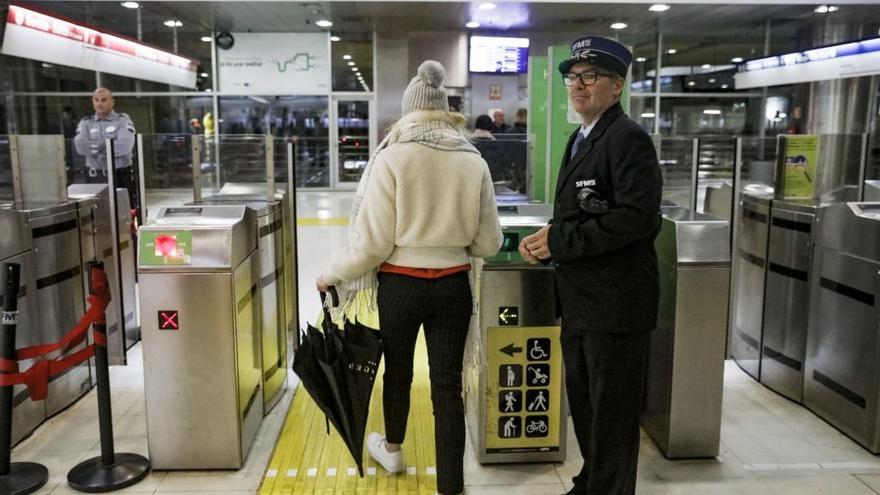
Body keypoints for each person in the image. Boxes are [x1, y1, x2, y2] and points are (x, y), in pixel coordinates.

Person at [317, 60, 502, 495]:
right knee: (447, 387)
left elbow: (373, 245)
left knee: (397, 372)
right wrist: (450, 242)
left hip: (400, 285)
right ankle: (452, 486)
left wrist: (332, 273)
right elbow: (489, 242)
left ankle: (393, 449)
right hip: (453, 286)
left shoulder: (392, 155)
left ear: (407, 112)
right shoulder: (473, 159)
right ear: (445, 111)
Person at [518, 35, 662, 495]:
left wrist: (560, 240)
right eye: (573, 78)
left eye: (590, 76)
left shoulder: (628, 139)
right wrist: (548, 237)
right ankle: (592, 481)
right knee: (585, 404)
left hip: (617, 305)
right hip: (583, 301)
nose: (577, 85)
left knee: (612, 414)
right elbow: (582, 213)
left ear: (616, 85)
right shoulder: (581, 138)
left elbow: (637, 220)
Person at [73, 87, 139, 215]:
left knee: (125, 213)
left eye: (104, 100)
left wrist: (94, 148)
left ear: (112, 101)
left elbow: (125, 147)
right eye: (96, 100)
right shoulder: (86, 122)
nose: (99, 103)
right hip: (95, 176)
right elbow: (80, 147)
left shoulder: (122, 120)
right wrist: (108, 145)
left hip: (119, 175)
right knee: (97, 214)